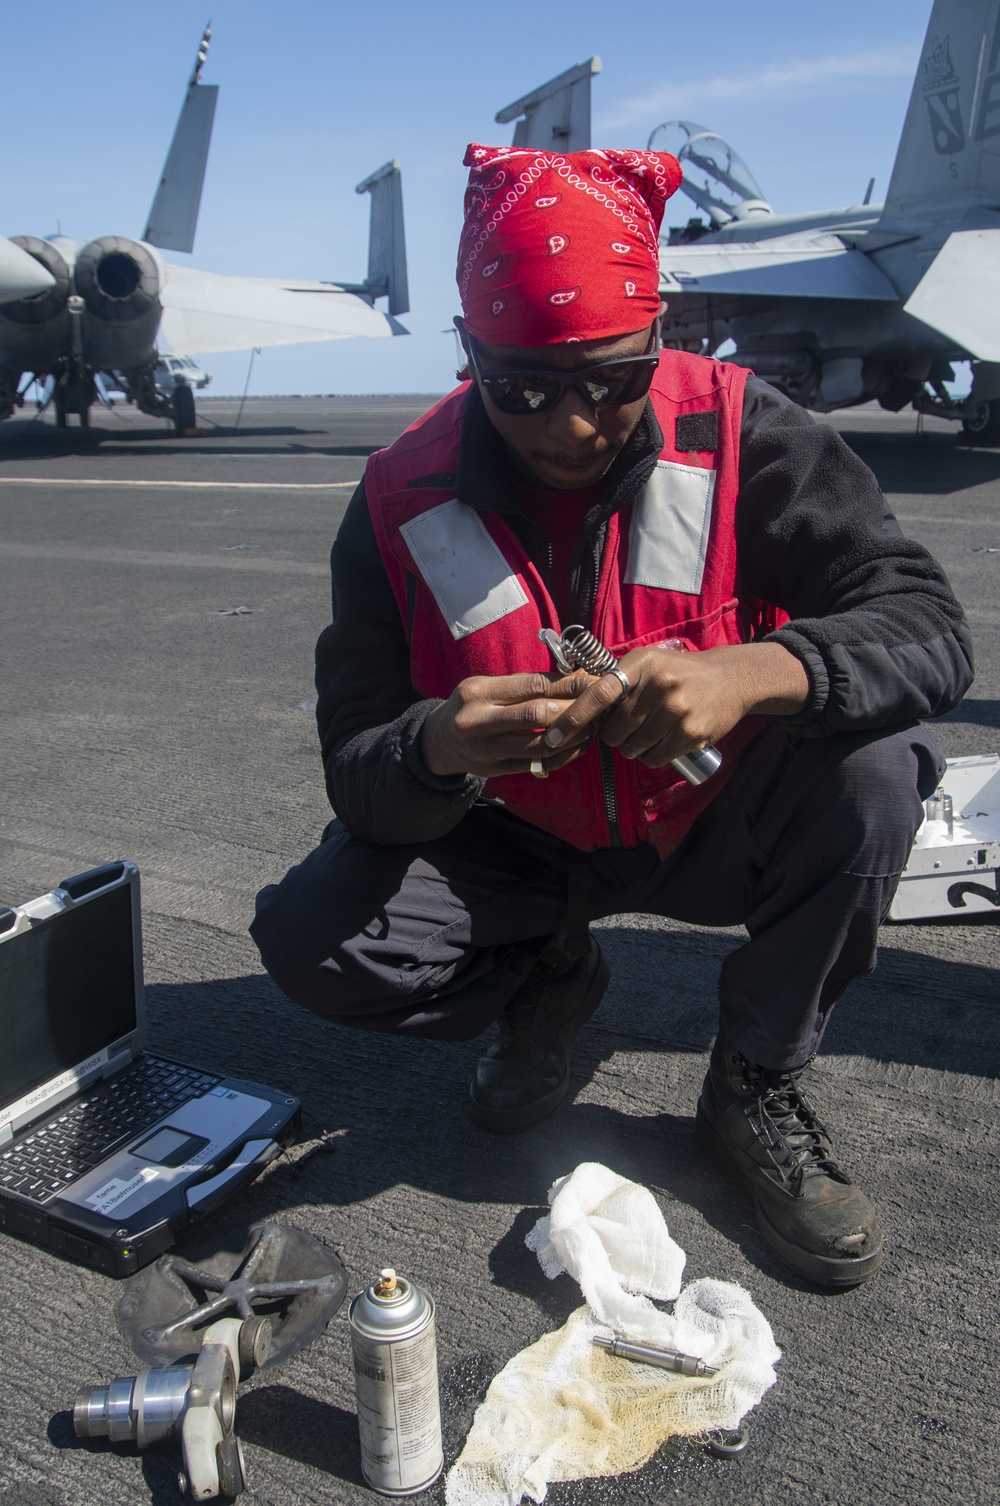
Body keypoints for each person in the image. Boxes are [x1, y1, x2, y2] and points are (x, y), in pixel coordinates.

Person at [251, 144, 973, 1289]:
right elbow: (358, 765)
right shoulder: (398, 493)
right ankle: (550, 975)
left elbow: (928, 628)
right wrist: (437, 745)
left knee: (876, 773)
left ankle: (752, 1083)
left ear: (657, 343)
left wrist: (753, 674)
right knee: (314, 941)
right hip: (524, 843)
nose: (573, 425)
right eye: (525, 387)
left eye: (612, 379)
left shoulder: (748, 434)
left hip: (715, 823)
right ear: (470, 354)